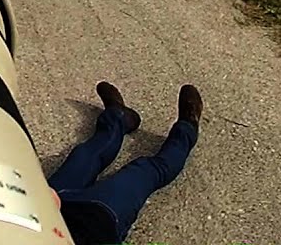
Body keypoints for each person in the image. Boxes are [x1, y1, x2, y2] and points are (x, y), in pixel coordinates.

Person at [48, 82, 204, 245]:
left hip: (46, 209)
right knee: (144, 171)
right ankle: (187, 128)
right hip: (94, 224)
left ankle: (119, 116)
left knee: (87, 154)